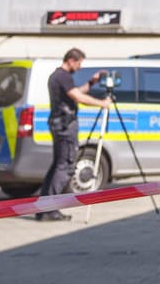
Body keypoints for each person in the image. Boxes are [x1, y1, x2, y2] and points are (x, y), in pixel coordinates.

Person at [34, 47, 108, 222]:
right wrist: (102, 103)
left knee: (57, 166)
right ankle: (49, 209)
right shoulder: (63, 76)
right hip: (65, 126)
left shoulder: (57, 76)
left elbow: (76, 93)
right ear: (71, 60)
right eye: (79, 63)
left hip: (58, 124)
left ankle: (42, 208)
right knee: (65, 166)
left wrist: (91, 83)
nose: (80, 67)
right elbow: (77, 97)